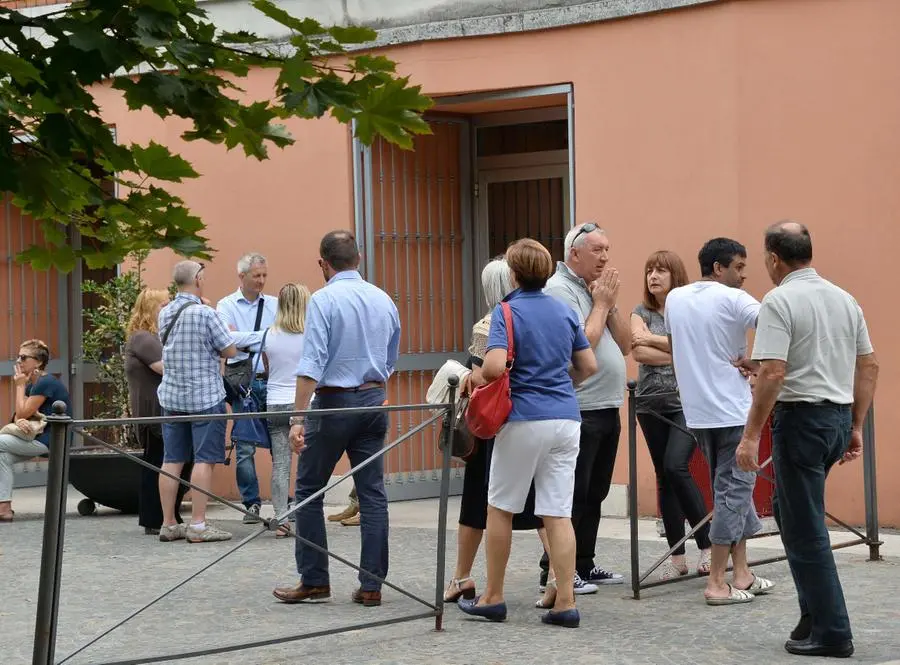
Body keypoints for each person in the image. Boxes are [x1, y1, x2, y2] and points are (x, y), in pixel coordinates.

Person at [736, 222, 878, 657]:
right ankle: (812, 616)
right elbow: (869, 366)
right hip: (833, 418)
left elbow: (775, 372)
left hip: (802, 421)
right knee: (793, 513)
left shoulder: (779, 299)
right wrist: (854, 424)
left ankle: (833, 631)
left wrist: (750, 437)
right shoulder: (843, 298)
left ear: (774, 258)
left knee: (806, 526)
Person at [458, 238, 598, 628]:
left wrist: (476, 374)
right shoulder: (563, 310)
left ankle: (493, 596)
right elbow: (588, 365)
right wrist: (560, 383)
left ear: (514, 275)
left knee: (499, 508)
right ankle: (565, 601)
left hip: (522, 417)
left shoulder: (507, 311)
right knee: (557, 512)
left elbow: (496, 366)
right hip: (566, 418)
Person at [273, 230, 400, 607]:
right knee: (373, 495)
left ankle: (314, 579)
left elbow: (311, 364)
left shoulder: (323, 301)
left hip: (333, 403)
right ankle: (372, 585)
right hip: (373, 400)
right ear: (358, 259)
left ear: (323, 263)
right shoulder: (383, 298)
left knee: (309, 491)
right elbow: (392, 354)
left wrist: (297, 419)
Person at [664, 237, 773, 605]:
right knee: (733, 493)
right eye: (739, 267)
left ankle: (741, 573)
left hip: (698, 413)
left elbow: (673, 342)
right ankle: (716, 583)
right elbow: (775, 323)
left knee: (729, 490)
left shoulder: (675, 298)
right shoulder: (735, 299)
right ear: (718, 268)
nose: (744, 275)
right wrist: (758, 362)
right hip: (732, 410)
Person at [541, 222, 629, 588]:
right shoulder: (559, 290)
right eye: (597, 250)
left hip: (607, 405)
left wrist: (609, 306)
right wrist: (602, 303)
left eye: (608, 249)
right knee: (572, 494)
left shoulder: (594, 290)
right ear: (574, 253)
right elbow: (580, 345)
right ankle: (557, 570)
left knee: (596, 492)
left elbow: (624, 344)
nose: (605, 257)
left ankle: (585, 561)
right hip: (580, 407)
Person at [631, 250, 712, 579]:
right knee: (664, 477)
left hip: (684, 402)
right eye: (650, 270)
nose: (653, 276)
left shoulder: (687, 310)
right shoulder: (640, 311)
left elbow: (696, 349)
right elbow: (637, 350)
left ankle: (707, 546)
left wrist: (655, 341)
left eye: (661, 270)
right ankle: (677, 557)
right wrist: (675, 348)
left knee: (676, 466)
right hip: (650, 404)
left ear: (675, 275)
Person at [157, 260, 237, 543]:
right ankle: (199, 525)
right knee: (204, 460)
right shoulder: (207, 314)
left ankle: (168, 523)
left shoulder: (164, 313)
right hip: (205, 395)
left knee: (172, 459)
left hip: (172, 395)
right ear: (199, 279)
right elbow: (230, 348)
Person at [125, 288, 193, 535]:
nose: (168, 309)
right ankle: (155, 518)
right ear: (151, 308)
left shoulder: (155, 337)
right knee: (159, 462)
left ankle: (168, 515)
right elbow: (165, 367)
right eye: (164, 305)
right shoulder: (144, 338)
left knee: (173, 461)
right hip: (155, 411)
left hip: (163, 408)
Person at [217, 253, 277, 525]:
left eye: (264, 275)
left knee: (280, 444)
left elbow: (283, 335)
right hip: (242, 383)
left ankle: (282, 502)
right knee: (244, 446)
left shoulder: (275, 304)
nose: (262, 281)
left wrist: (243, 341)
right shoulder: (226, 305)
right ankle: (251, 503)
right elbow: (226, 340)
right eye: (257, 276)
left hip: (273, 379)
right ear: (242, 277)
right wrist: (264, 337)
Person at [0, 340, 71, 521]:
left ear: (38, 362)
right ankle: (4, 508)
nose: (18, 361)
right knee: (3, 456)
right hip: (37, 437)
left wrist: (19, 386)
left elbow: (23, 412)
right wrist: (20, 419)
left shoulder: (45, 382)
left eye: (23, 357)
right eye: (18, 357)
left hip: (51, 440)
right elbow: (19, 416)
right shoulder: (34, 383)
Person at [264, 282, 311, 538]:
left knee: (280, 465)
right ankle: (307, 515)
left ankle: (281, 519)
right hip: (304, 405)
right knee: (308, 462)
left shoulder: (269, 334)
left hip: (275, 403)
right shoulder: (310, 335)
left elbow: (268, 368)